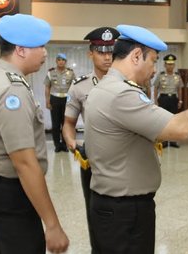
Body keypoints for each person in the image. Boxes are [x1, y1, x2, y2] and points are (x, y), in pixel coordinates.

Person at [83, 24, 188, 254]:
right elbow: (181, 128)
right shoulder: (121, 94)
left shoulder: (108, 87)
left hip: (113, 205)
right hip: (125, 211)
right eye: (153, 61)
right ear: (137, 56)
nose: (154, 69)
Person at [0, 14, 69, 253]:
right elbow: (25, 163)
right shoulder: (11, 90)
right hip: (11, 194)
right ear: (21, 50)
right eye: (40, 46)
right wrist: (53, 225)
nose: (45, 53)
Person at [61, 26, 119, 253]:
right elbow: (68, 123)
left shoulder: (130, 83)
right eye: (101, 51)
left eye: (111, 51)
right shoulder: (79, 86)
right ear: (90, 53)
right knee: (95, 213)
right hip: (94, 161)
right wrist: (72, 143)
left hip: (125, 161)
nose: (107, 56)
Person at [44, 53, 75, 152]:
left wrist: (74, 102)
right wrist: (47, 101)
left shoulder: (71, 73)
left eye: (63, 60)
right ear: (56, 61)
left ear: (65, 62)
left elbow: (74, 88)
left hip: (67, 100)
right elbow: (47, 87)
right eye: (59, 60)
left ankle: (65, 145)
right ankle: (57, 145)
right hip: (55, 99)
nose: (61, 61)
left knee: (66, 123)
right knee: (56, 124)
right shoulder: (51, 72)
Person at [153, 53, 184, 148]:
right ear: (165, 65)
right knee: (163, 121)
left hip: (174, 99)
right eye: (168, 64)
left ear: (174, 65)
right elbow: (155, 88)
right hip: (163, 99)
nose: (170, 66)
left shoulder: (177, 76)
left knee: (174, 120)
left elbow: (180, 88)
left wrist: (180, 100)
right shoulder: (160, 75)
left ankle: (173, 141)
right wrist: (155, 101)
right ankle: (164, 141)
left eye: (172, 64)